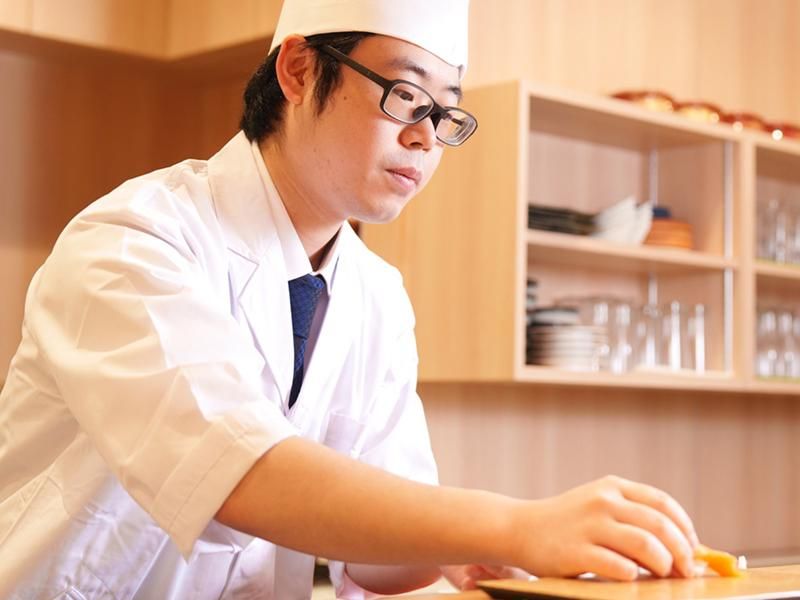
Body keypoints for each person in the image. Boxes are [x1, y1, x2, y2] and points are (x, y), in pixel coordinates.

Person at [0, 0, 700, 598]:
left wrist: (466, 550)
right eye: (405, 95)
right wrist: (513, 523)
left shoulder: (376, 294)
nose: (425, 137)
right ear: (299, 70)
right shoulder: (134, 242)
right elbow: (239, 475)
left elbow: (376, 557)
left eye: (445, 113)